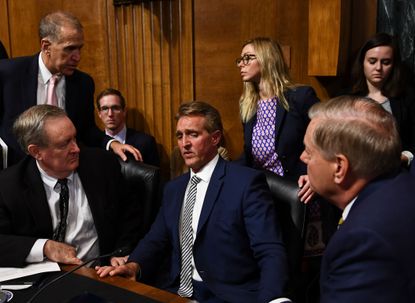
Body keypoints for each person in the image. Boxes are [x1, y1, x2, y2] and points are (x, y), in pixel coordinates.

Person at [96, 101, 290, 303]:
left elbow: (270, 250)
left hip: (227, 296)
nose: (184, 143)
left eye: (193, 135)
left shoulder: (245, 183)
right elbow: (156, 239)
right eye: (180, 136)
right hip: (175, 292)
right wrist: (134, 265)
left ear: (215, 138)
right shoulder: (174, 189)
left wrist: (270, 299)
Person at [300, 95, 415, 303]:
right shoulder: (402, 184)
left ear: (339, 168)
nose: (302, 158)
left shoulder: (361, 241)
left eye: (309, 151)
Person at [0, 105, 141, 268]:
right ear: (36, 152)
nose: (76, 148)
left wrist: (121, 254)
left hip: (98, 273)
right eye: (64, 144)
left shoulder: (102, 165)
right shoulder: (9, 186)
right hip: (43, 279)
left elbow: (131, 215)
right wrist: (44, 247)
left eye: (74, 138)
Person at [0, 11, 140, 167]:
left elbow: (87, 131)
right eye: (70, 49)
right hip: (18, 172)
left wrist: (112, 144)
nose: (77, 57)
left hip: (63, 171)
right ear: (46, 46)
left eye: (79, 48)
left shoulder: (83, 83)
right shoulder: (8, 73)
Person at [236, 37, 319, 198]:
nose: (241, 64)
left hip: (300, 191)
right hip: (263, 193)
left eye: (247, 58)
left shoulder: (300, 97)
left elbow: (327, 138)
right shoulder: (247, 105)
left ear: (267, 58)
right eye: (240, 59)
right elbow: (248, 156)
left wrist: (315, 174)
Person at [351, 32, 415, 167]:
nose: (378, 68)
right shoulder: (346, 99)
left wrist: (403, 157)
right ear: (362, 62)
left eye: (386, 62)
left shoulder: (407, 99)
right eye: (372, 61)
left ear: (394, 65)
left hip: (394, 172)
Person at [96, 88, 160, 166]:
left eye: (115, 108)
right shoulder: (94, 145)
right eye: (105, 109)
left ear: (124, 111)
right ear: (99, 113)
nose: (110, 114)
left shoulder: (146, 142)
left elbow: (154, 176)